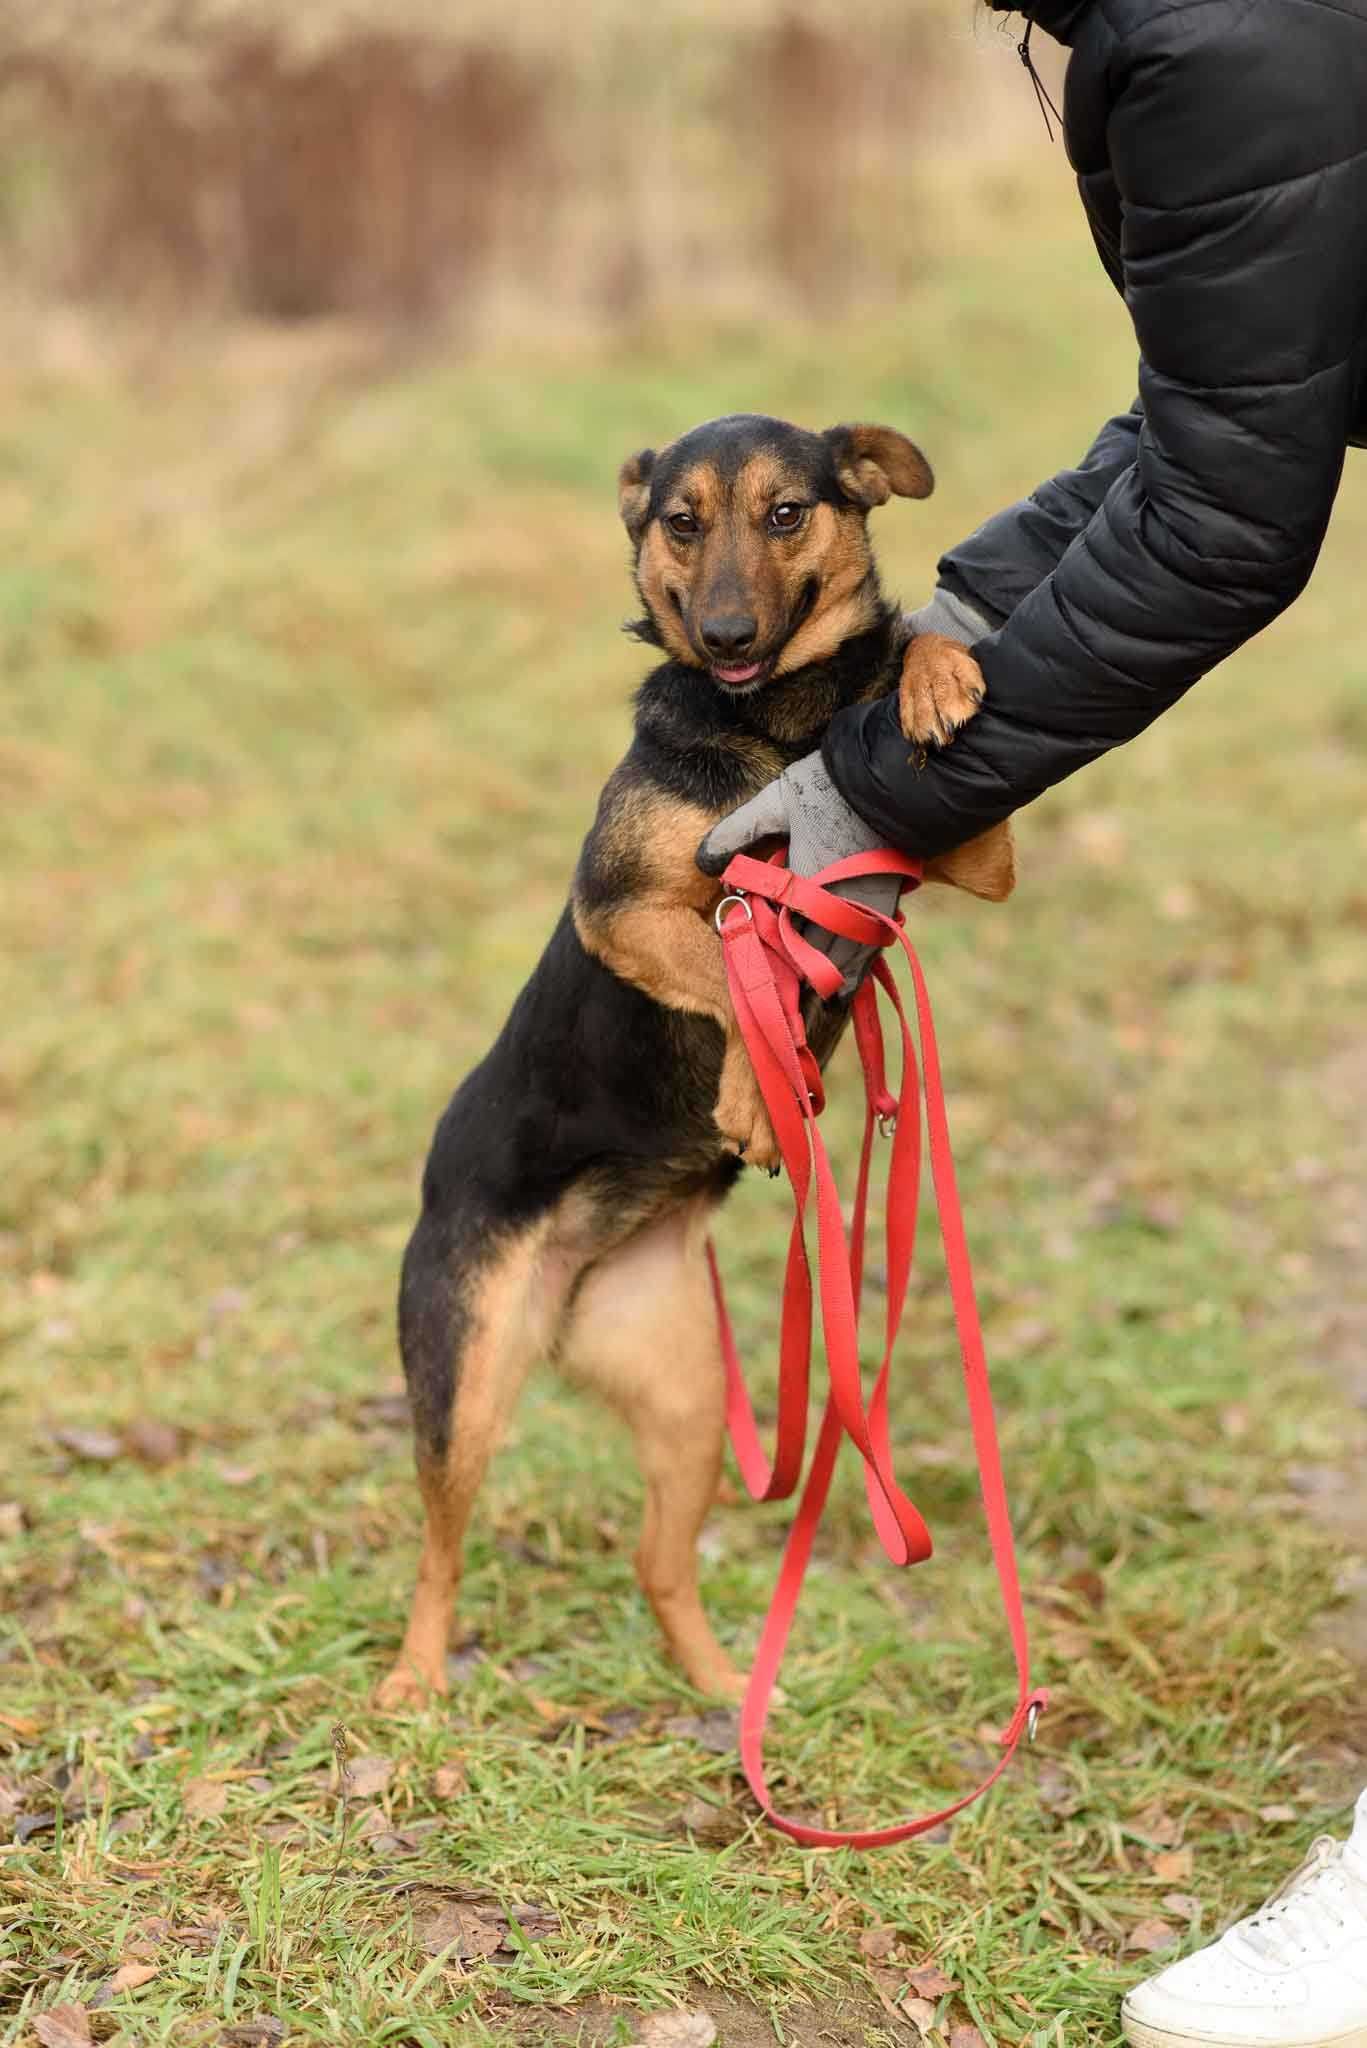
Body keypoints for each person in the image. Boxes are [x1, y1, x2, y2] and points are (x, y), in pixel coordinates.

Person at [697, 2, 1367, 2042]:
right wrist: (935, 656)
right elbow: (1212, 414)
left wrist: (877, 808)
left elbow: (1236, 516)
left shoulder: (1213, 19)